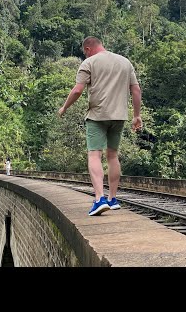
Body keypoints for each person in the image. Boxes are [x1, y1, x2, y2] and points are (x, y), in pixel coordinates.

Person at [58, 36, 142, 216]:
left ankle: (99, 199)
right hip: (119, 116)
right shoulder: (125, 62)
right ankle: (112, 198)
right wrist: (136, 116)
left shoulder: (89, 63)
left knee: (94, 155)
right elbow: (135, 90)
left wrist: (64, 107)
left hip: (97, 116)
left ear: (87, 49)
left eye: (84, 53)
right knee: (112, 156)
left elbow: (78, 90)